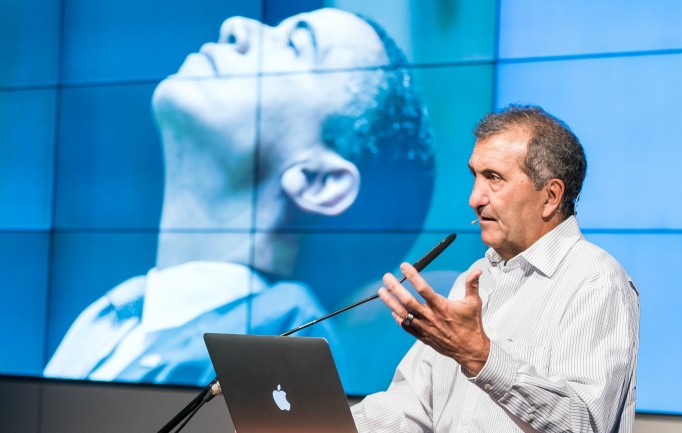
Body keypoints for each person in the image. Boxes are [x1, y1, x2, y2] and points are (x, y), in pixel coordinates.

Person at [44, 8, 434, 386]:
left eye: (296, 46)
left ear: (319, 181)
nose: (237, 27)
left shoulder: (276, 349)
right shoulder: (113, 316)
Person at [352, 105, 639, 432]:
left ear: (551, 196)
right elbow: (410, 407)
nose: (474, 198)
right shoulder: (474, 277)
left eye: (493, 178)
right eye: (475, 175)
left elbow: (584, 423)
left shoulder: (596, 280)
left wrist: (481, 357)